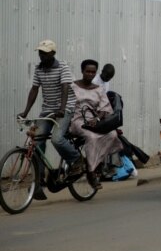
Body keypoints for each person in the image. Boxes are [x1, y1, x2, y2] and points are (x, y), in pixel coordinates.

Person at [18, 39, 82, 200]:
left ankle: (77, 160)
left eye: (45, 53)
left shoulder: (62, 67)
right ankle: (39, 182)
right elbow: (34, 89)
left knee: (57, 139)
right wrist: (25, 112)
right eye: (40, 52)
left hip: (64, 109)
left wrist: (61, 108)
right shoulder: (39, 69)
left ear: (53, 53)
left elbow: (65, 88)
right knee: (37, 142)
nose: (41, 56)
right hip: (47, 110)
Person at [70, 59, 124, 190]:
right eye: (87, 71)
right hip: (77, 120)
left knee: (112, 135)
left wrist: (97, 118)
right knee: (92, 138)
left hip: (94, 121)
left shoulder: (99, 89)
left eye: (93, 72)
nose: (90, 74)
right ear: (82, 71)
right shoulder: (73, 86)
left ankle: (97, 162)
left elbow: (105, 108)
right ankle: (91, 172)